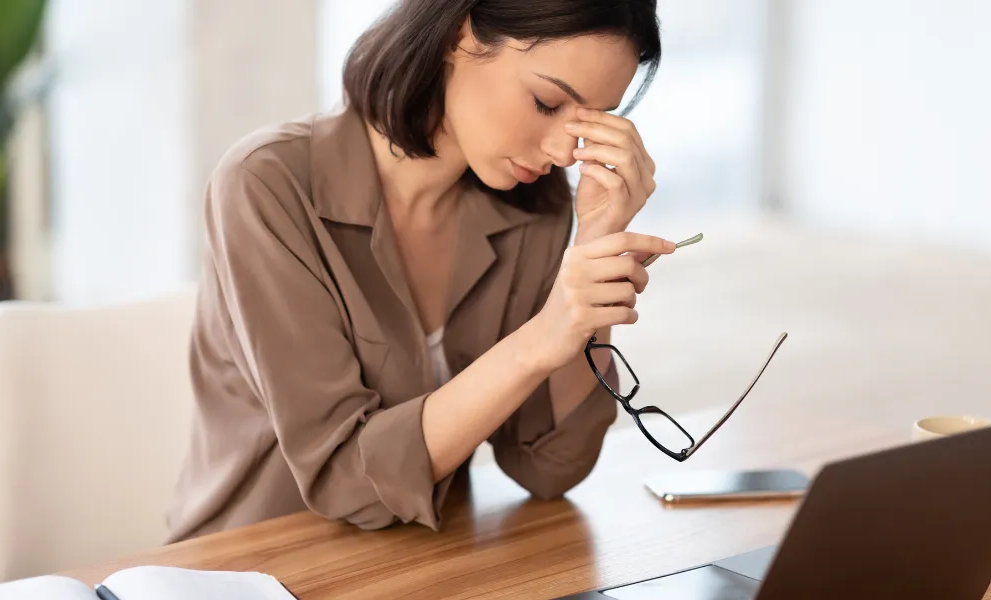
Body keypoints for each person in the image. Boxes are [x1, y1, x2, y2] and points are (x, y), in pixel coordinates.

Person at [165, 0, 673, 542]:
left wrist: (596, 246)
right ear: (459, 34)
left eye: (590, 125)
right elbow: (346, 480)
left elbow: (551, 467)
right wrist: (540, 338)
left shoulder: (534, 208)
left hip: (429, 565)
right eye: (547, 103)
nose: (564, 153)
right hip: (251, 567)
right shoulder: (266, 186)